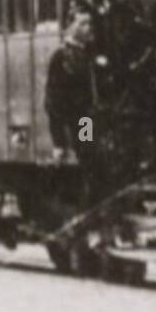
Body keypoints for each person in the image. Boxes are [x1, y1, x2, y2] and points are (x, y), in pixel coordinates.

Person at [45, 12, 101, 208]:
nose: (88, 28)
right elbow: (53, 100)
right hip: (76, 119)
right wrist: (58, 141)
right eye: (83, 24)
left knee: (91, 157)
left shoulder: (87, 54)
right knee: (87, 159)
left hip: (87, 118)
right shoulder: (62, 57)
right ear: (72, 27)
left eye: (90, 23)